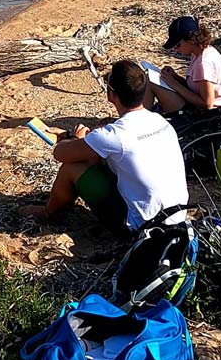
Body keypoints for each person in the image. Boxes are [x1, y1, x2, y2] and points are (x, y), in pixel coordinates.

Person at [19, 60, 188, 232]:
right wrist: (75, 137)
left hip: (141, 227)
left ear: (111, 94)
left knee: (72, 167)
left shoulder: (115, 135)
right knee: (98, 158)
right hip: (177, 218)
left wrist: (74, 140)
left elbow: (60, 153)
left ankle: (50, 212)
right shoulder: (160, 122)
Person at [148, 16, 221, 113]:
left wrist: (175, 85)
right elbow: (195, 88)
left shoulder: (204, 63)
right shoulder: (202, 52)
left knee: (150, 82)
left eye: (178, 45)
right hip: (197, 106)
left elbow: (207, 104)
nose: (176, 49)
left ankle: (139, 117)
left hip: (205, 113)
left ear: (191, 40)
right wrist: (175, 77)